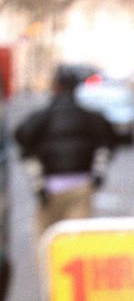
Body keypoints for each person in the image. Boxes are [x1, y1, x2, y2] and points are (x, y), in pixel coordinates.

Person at [14, 66, 116, 235]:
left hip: (48, 190)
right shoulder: (90, 118)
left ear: (55, 87)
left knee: (47, 245)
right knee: (75, 243)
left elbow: (22, 138)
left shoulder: (42, 118)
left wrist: (37, 181)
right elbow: (107, 143)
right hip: (81, 188)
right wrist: (98, 175)